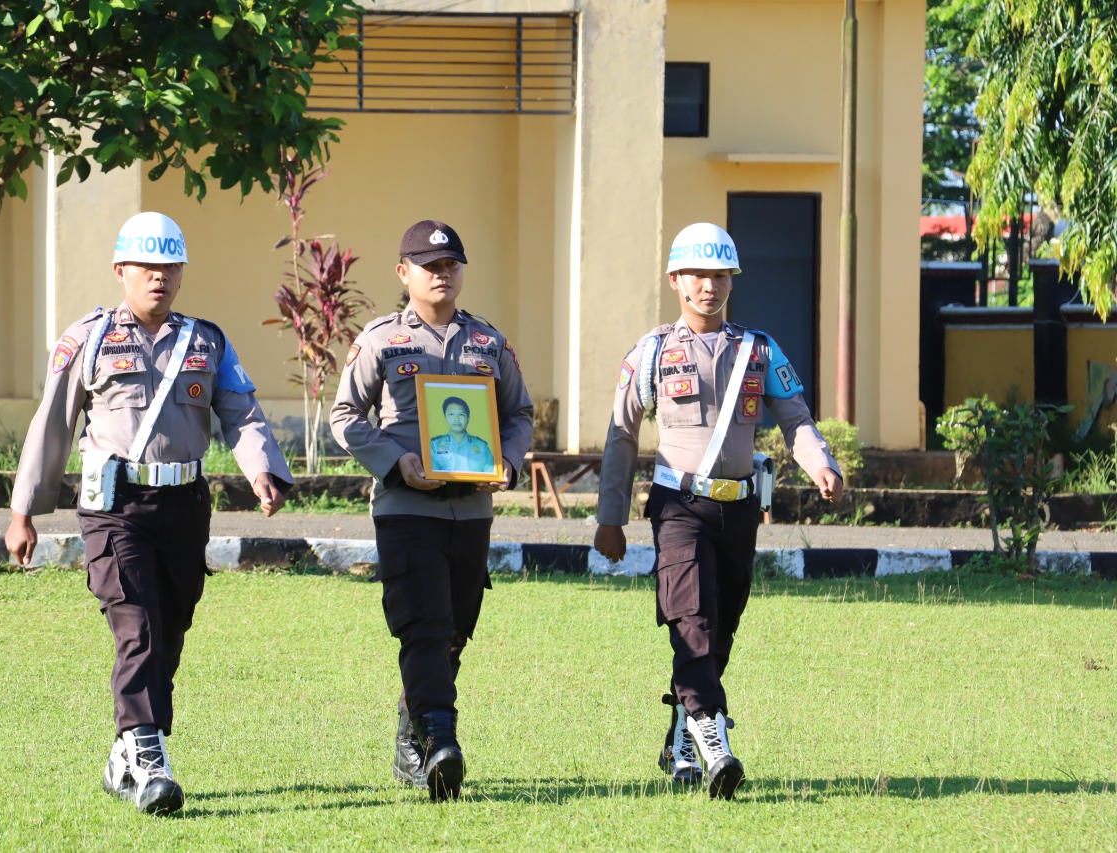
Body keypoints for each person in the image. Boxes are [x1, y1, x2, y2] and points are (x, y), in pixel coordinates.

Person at [4, 212, 293, 815]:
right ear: (122, 271)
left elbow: (239, 411)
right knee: (133, 621)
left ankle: (126, 756)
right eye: (147, 266)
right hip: (112, 504)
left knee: (169, 628)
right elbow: (52, 424)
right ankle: (149, 759)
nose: (159, 276)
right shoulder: (89, 339)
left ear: (182, 273)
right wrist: (24, 510)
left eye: (169, 266)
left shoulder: (206, 341)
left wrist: (262, 469)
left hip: (185, 502)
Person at [593, 222, 843, 800]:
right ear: (676, 280)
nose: (709, 285)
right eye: (698, 275)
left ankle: (682, 730)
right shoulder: (652, 350)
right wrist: (611, 517)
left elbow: (794, 417)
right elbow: (621, 436)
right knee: (692, 619)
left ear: (732, 279)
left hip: (739, 510)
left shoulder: (759, 347)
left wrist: (819, 463)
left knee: (721, 626)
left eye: (720, 274)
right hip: (678, 504)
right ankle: (713, 735)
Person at [330, 219, 534, 801]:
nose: (441, 274)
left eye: (450, 265)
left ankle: (410, 727)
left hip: (471, 512)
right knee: (424, 624)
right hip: (405, 508)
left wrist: (510, 464)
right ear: (404, 273)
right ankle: (442, 741)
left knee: (455, 632)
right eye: (429, 265)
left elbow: (519, 414)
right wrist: (396, 463)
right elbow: (346, 418)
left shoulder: (488, 343)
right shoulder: (381, 341)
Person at [428, 396, 496, 474]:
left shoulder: (481, 446)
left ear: (468, 418)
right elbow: (433, 476)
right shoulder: (435, 445)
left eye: (461, 414)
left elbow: (491, 475)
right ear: (445, 417)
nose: (456, 418)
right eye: (451, 414)